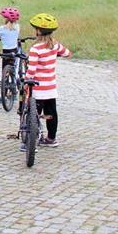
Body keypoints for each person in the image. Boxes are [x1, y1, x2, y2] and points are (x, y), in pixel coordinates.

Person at [24, 13, 71, 148]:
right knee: (51, 114)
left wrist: (27, 82)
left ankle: (30, 140)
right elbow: (68, 53)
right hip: (50, 88)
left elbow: (31, 70)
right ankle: (51, 139)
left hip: (37, 89)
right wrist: (56, 54)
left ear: (38, 31)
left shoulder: (35, 48)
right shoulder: (55, 45)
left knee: (33, 115)